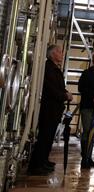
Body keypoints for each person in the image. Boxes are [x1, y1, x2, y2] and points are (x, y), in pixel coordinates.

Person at [28, 45, 73, 175]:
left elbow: (58, 87)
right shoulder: (48, 68)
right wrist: (65, 95)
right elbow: (51, 89)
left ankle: (43, 161)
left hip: (54, 109)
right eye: (59, 52)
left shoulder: (54, 68)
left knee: (48, 138)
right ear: (52, 54)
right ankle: (36, 166)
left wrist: (66, 93)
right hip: (48, 109)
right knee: (44, 137)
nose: (62, 54)